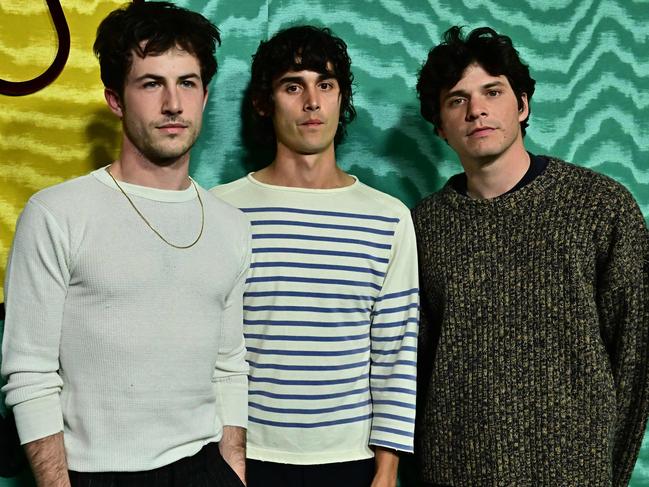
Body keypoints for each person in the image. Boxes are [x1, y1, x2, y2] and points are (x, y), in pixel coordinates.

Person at [1, 3, 250, 486]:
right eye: (151, 83)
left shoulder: (231, 225)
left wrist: (234, 468)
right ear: (116, 99)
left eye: (188, 82)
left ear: (204, 94)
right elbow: (29, 374)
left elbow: (229, 365)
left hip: (205, 468)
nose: (173, 104)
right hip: (97, 473)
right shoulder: (57, 213)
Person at [413, 25, 649, 487]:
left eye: (492, 92)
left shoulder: (601, 207)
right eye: (457, 99)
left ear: (522, 105)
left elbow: (636, 354)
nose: (477, 109)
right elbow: (414, 366)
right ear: (441, 127)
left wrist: (606, 471)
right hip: (454, 472)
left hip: (576, 473)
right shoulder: (422, 226)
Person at [212, 25, 419, 487]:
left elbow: (396, 354)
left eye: (325, 85)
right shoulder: (221, 209)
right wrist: (227, 459)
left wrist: (387, 471)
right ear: (265, 103)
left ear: (341, 100)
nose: (312, 102)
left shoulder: (388, 217)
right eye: (293, 86)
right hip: (245, 457)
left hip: (352, 461)